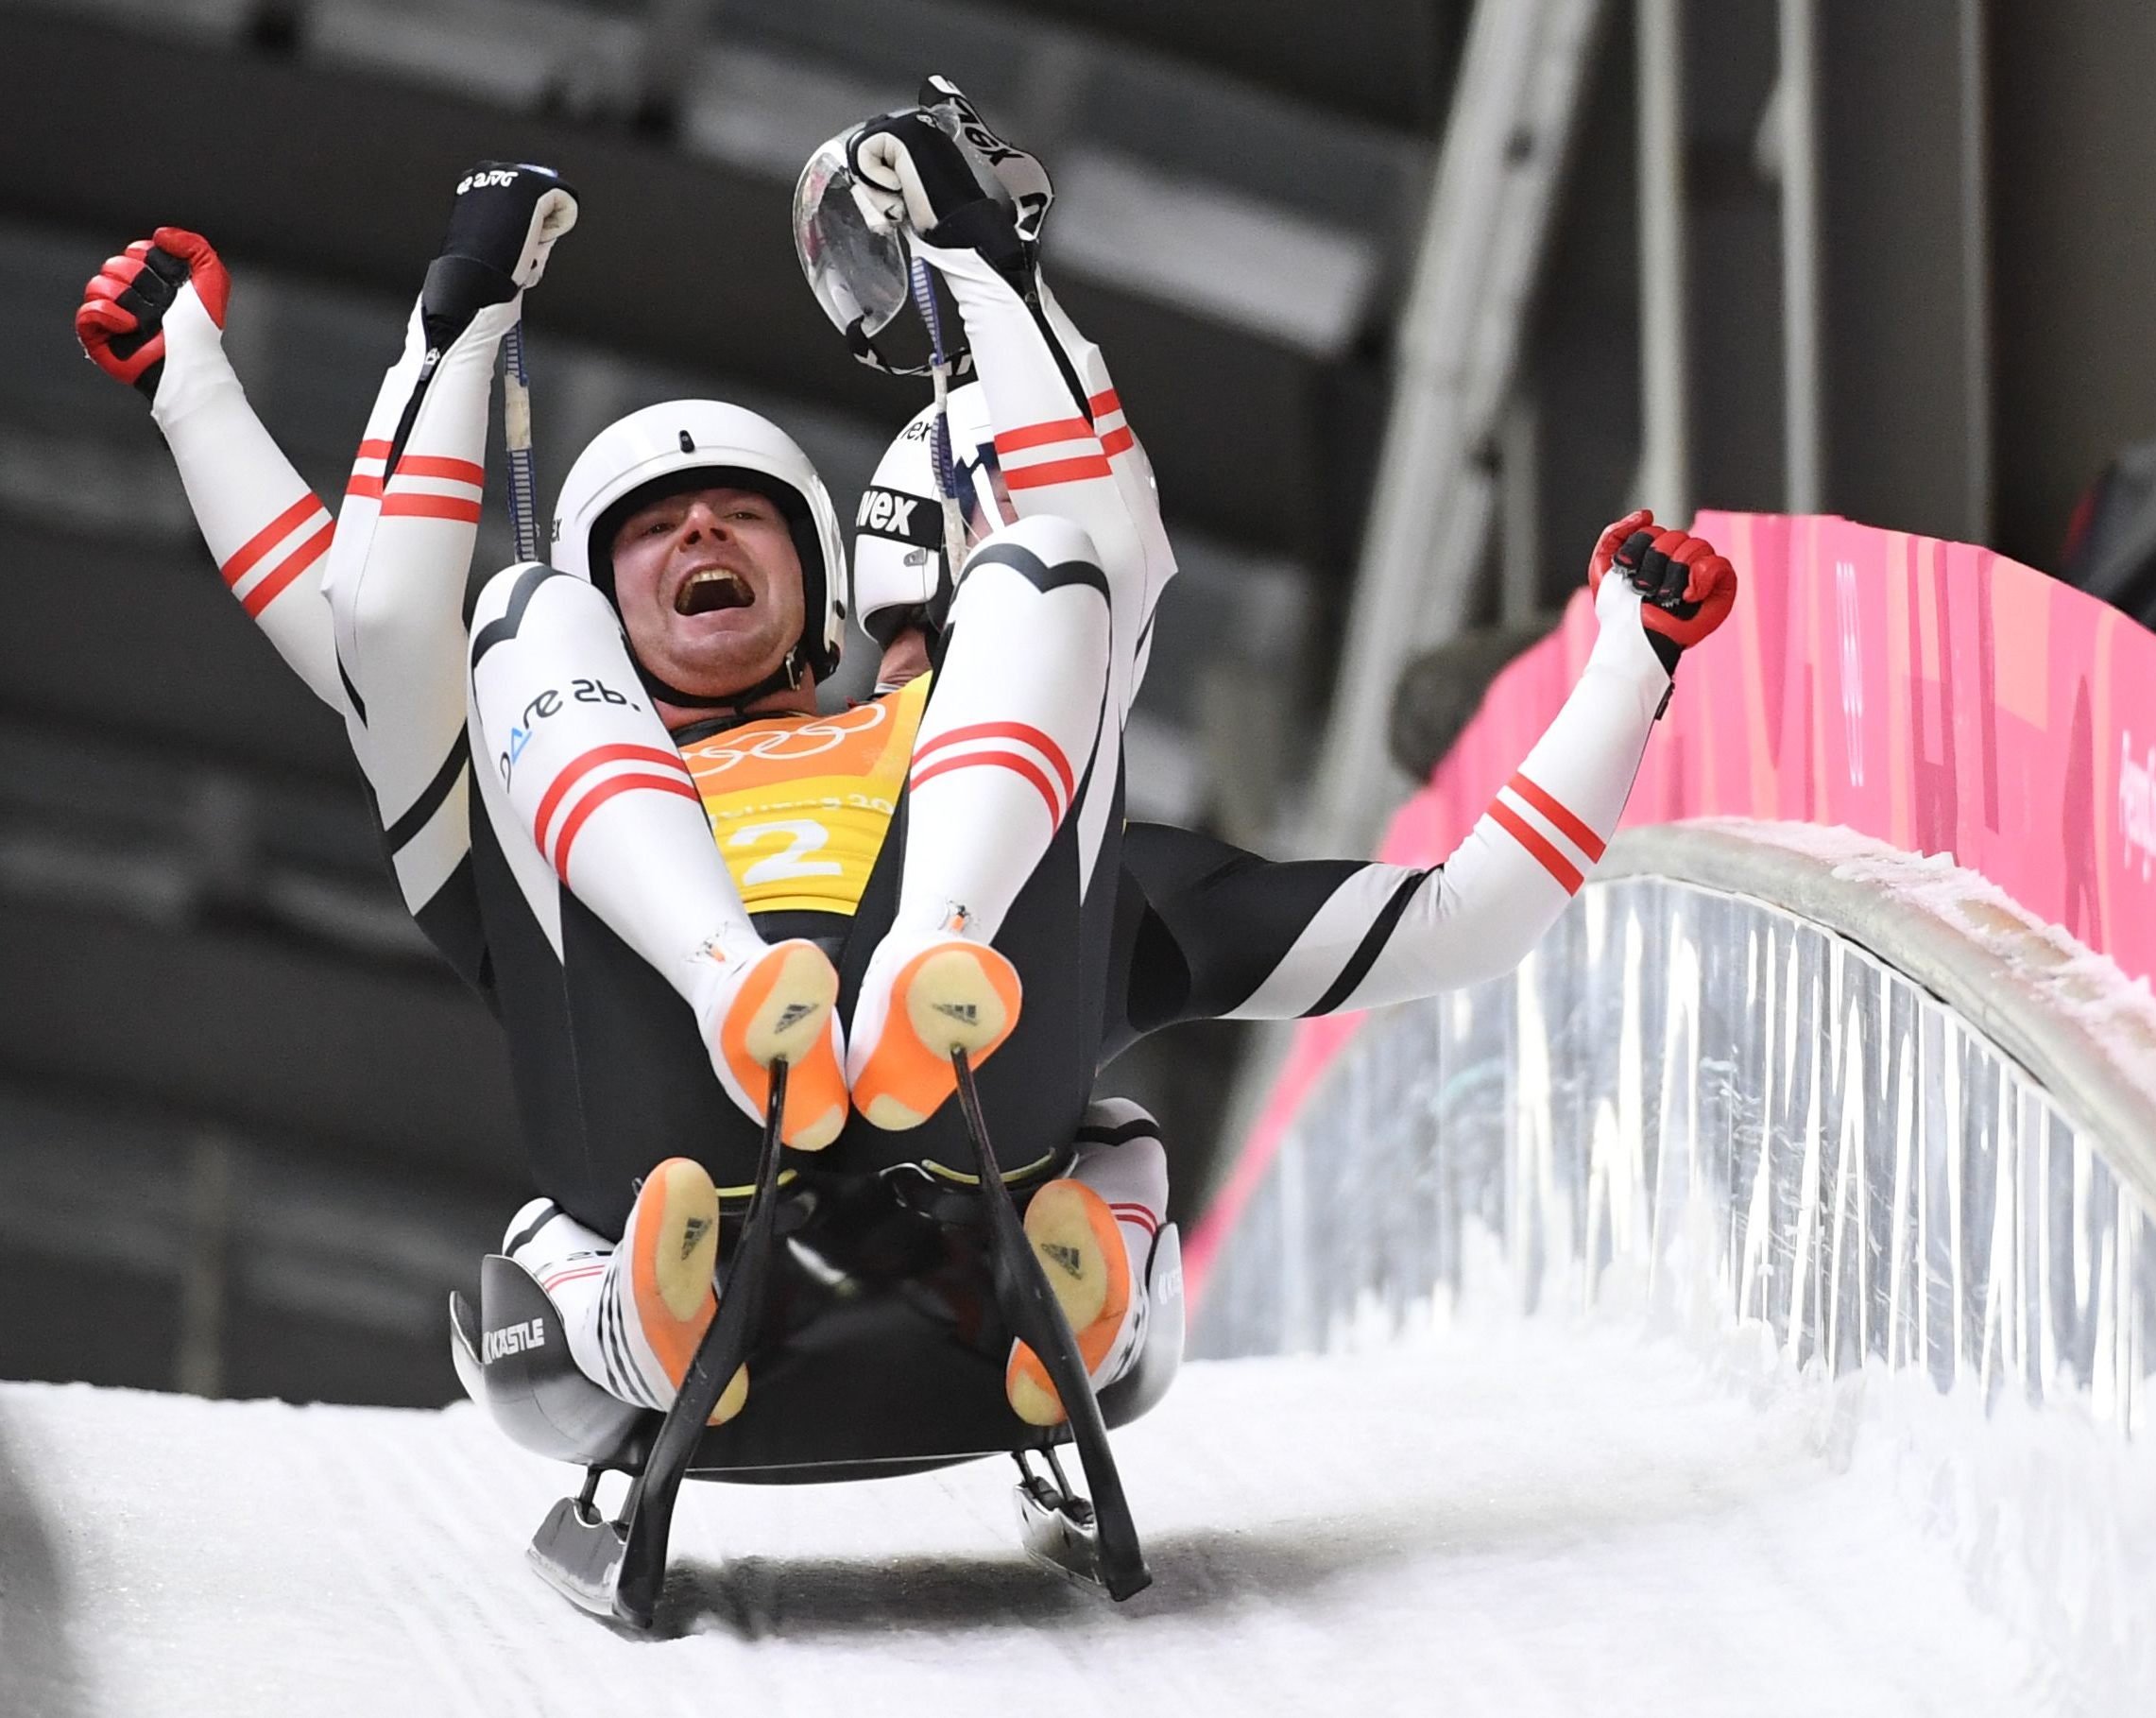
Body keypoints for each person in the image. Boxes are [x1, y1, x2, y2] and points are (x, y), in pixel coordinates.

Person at [77, 106, 1734, 1439]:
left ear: (817, 587)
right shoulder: (522, 782)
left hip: (962, 1088)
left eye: (738, 514)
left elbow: (1463, 911)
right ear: (618, 605)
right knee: (496, 614)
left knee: (1049, 582)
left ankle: (928, 1030)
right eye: (654, 531)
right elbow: (371, 613)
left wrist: (1630, 663)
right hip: (666, 1110)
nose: (702, 534)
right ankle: (728, 1089)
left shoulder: (963, 748)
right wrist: (402, 327)